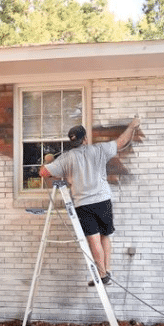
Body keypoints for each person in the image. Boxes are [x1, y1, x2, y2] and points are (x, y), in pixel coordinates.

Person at [39, 118, 141, 286]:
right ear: (85, 139)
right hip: (103, 200)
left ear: (73, 142)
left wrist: (49, 162)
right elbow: (121, 142)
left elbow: (43, 172)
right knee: (105, 236)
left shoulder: (67, 158)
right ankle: (105, 273)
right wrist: (132, 126)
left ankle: (102, 275)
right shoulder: (99, 149)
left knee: (94, 240)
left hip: (83, 204)